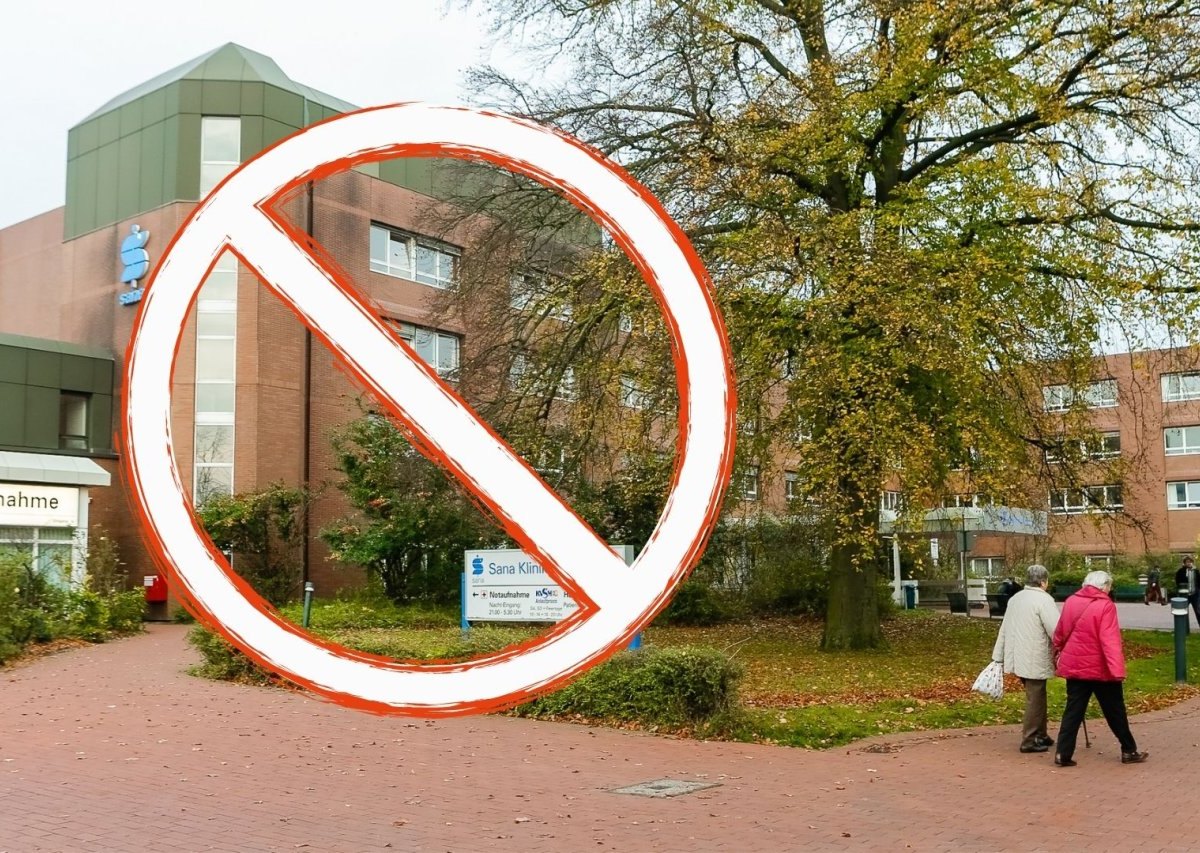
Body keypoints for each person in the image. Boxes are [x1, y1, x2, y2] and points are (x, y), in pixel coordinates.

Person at [1051, 570, 1149, 767]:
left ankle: (1063, 753)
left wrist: (1057, 648)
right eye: (1109, 586)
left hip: (1076, 667)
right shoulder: (1106, 606)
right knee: (1115, 711)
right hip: (1101, 669)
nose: (1110, 590)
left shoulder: (1071, 601)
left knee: (1073, 710)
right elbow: (1109, 641)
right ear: (1103, 586)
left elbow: (1060, 632)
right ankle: (1128, 750)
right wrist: (1117, 671)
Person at [991, 564, 1059, 754]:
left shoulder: (1016, 598)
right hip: (1034, 655)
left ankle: (1041, 734)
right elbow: (1056, 631)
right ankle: (1029, 739)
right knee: (1035, 697)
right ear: (1044, 581)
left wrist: (999, 655)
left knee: (1037, 695)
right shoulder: (1044, 600)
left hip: (1018, 654)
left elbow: (1004, 628)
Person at [1174, 555, 1199, 625]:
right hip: (1184, 595)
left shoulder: (1196, 571)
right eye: (1187, 562)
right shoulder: (1180, 571)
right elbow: (1178, 582)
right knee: (1182, 611)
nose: (1189, 563)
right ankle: (1183, 628)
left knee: (1198, 610)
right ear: (1184, 563)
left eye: (1190, 562)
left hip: (1195, 594)